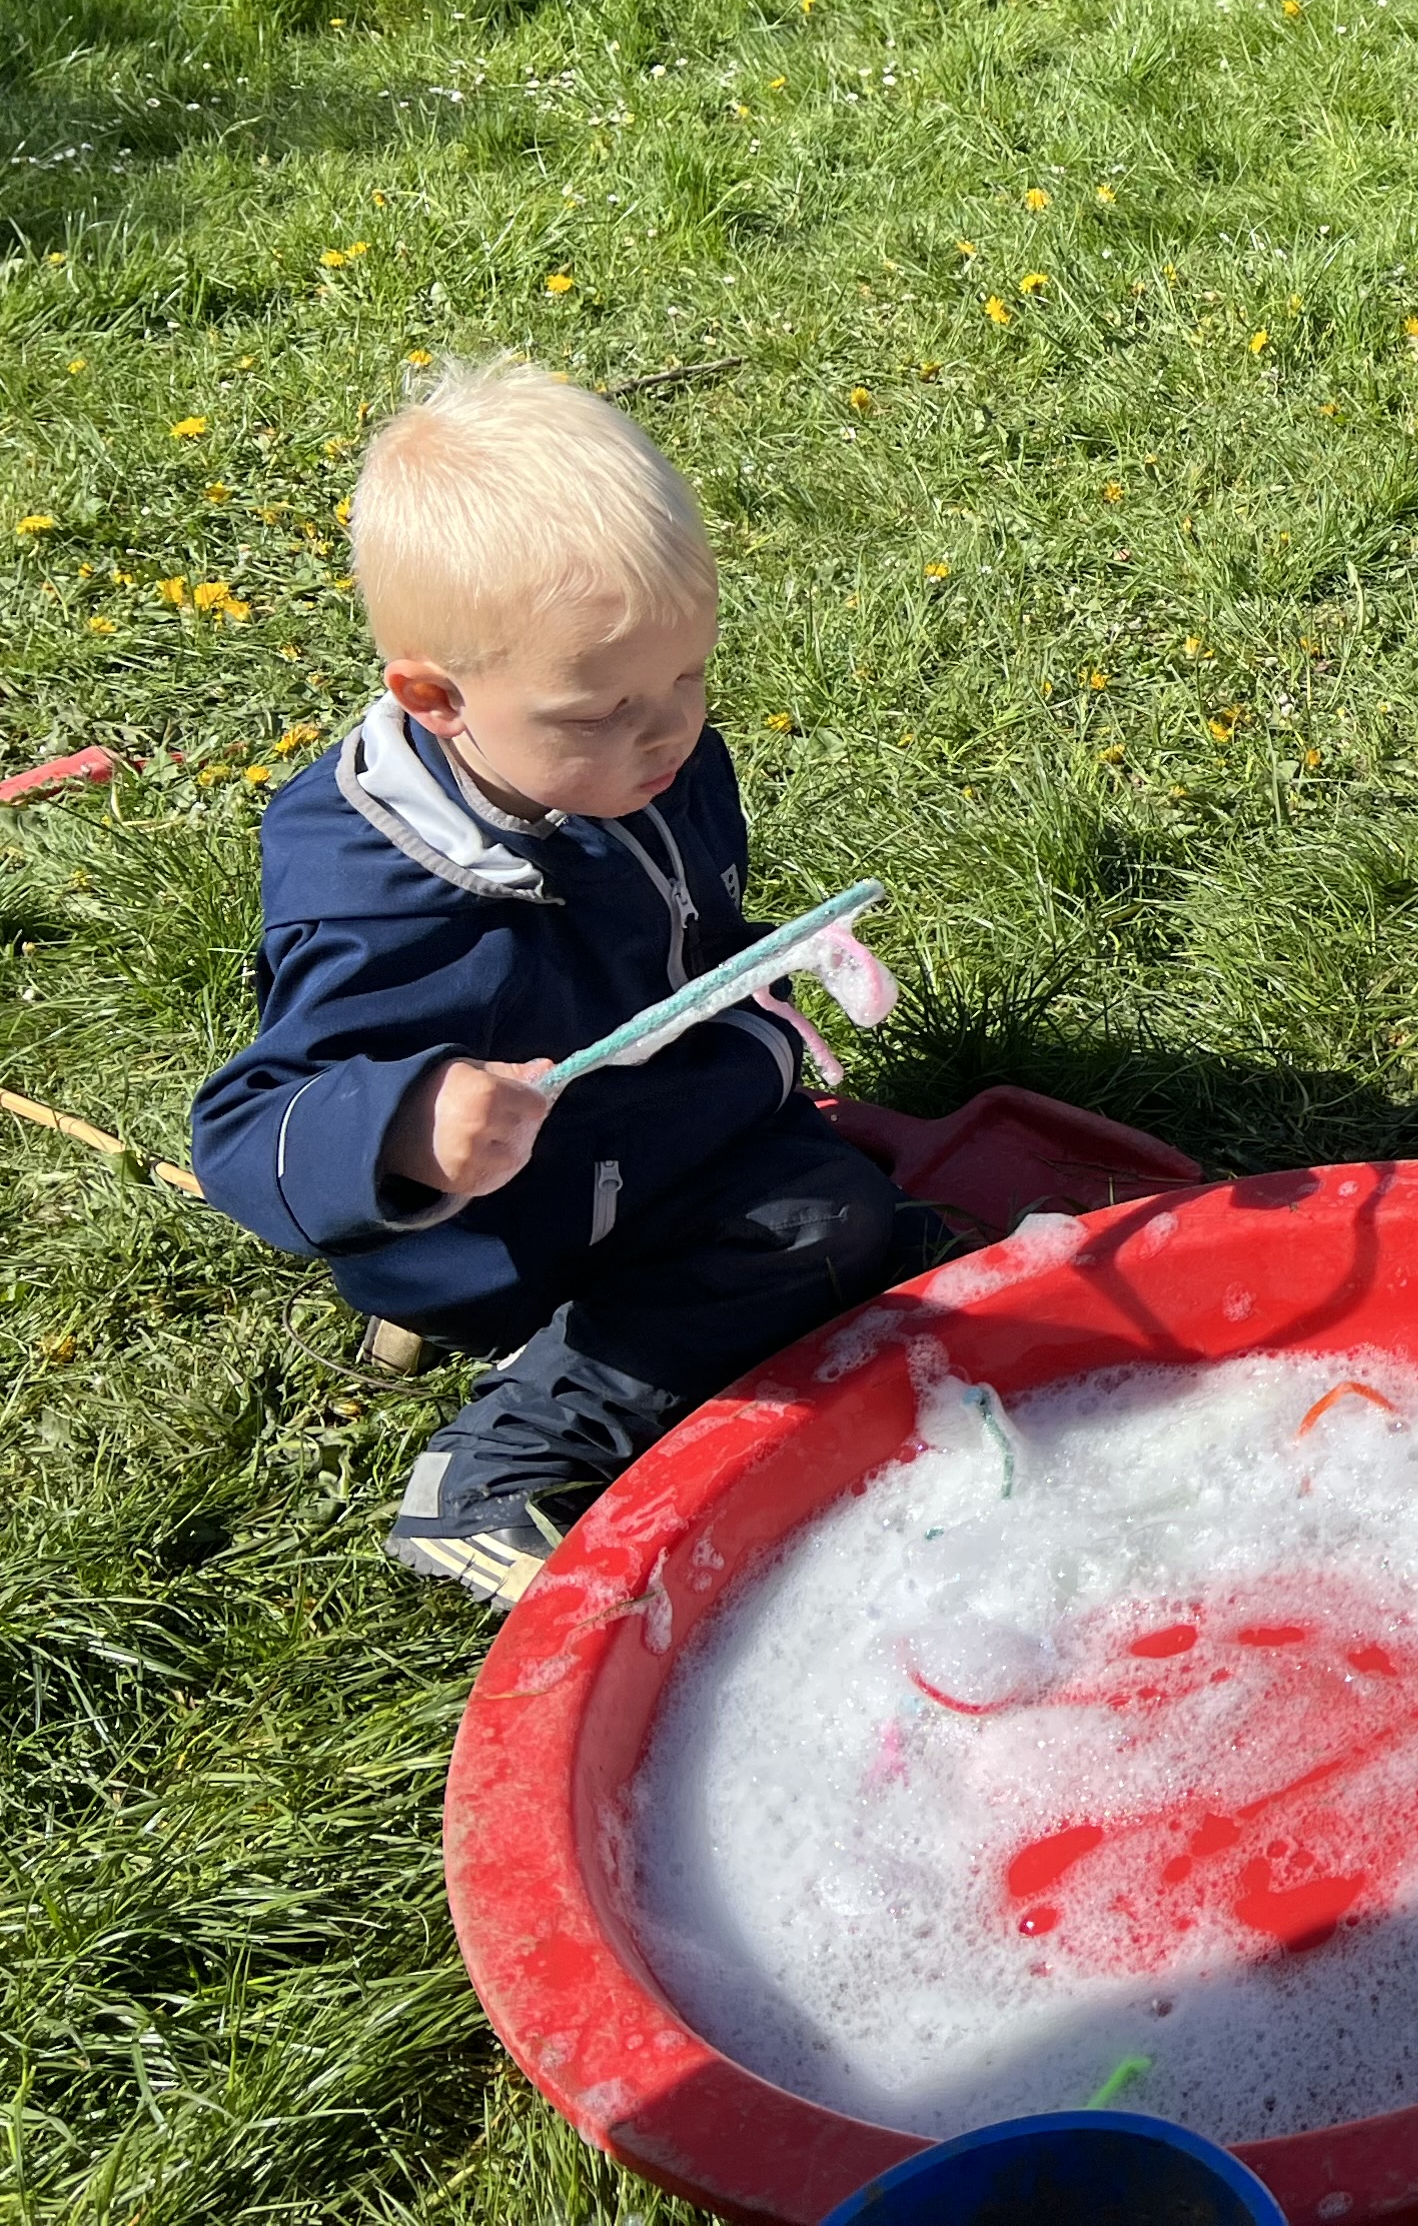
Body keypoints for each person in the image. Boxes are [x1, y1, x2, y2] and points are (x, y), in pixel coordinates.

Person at [192, 360, 917, 1608]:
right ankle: (499, 1458)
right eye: (602, 710)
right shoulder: (381, 890)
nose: (669, 730)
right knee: (824, 1229)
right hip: (517, 1220)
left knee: (860, 1222)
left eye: (691, 677)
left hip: (651, 1125)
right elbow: (244, 1132)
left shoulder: (628, 763)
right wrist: (408, 1129)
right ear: (436, 699)